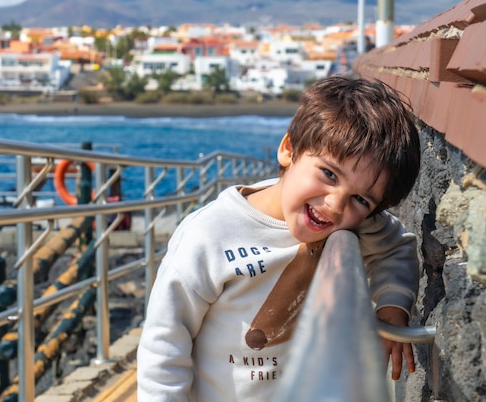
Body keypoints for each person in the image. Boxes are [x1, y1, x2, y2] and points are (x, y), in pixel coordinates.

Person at [137, 75, 422, 401]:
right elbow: (164, 341)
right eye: (328, 174)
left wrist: (392, 310)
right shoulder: (210, 232)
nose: (335, 203)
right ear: (289, 150)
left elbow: (396, 246)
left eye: (361, 199)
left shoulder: (351, 223)